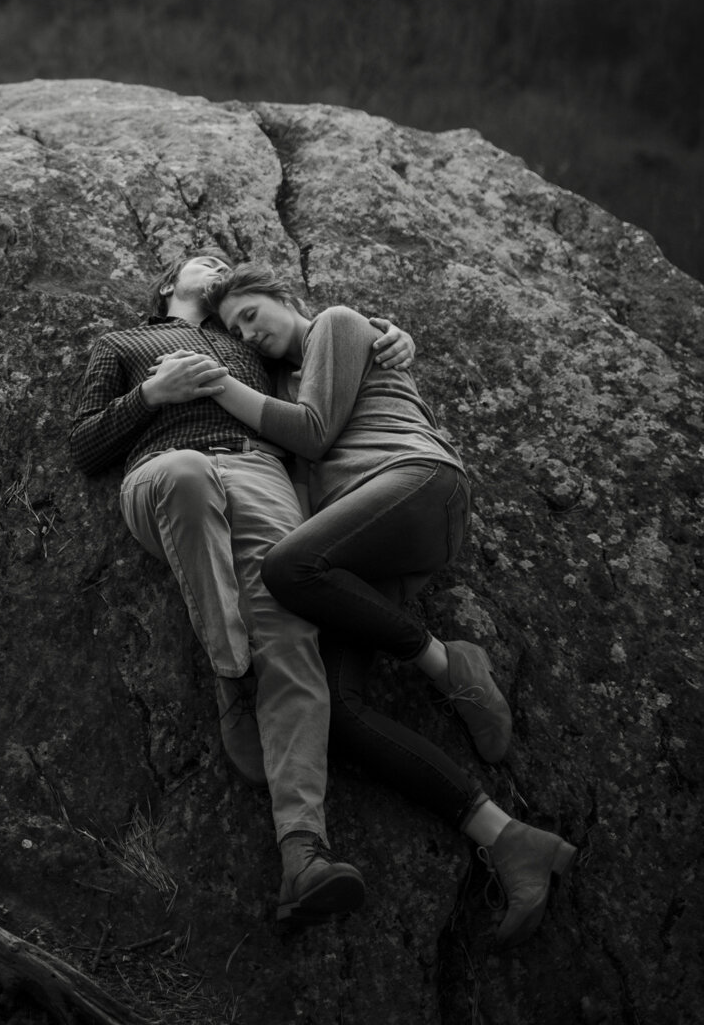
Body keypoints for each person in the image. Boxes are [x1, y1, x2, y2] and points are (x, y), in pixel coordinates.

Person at [170, 261, 578, 947]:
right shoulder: (281, 383)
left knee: (286, 566)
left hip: (414, 486)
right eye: (235, 327)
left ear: (284, 298)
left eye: (251, 314)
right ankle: (506, 838)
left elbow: (313, 432)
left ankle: (448, 666)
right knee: (337, 713)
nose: (249, 331)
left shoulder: (337, 322)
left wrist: (220, 386)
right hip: (361, 553)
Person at [69, 251, 416, 929]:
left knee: (290, 635)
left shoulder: (248, 343)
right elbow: (83, 446)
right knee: (188, 475)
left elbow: (321, 349)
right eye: (204, 260)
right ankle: (231, 672)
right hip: (163, 472)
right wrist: (151, 396)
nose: (218, 265)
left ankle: (303, 855)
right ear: (169, 284)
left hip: (261, 474)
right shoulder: (122, 344)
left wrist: (383, 329)